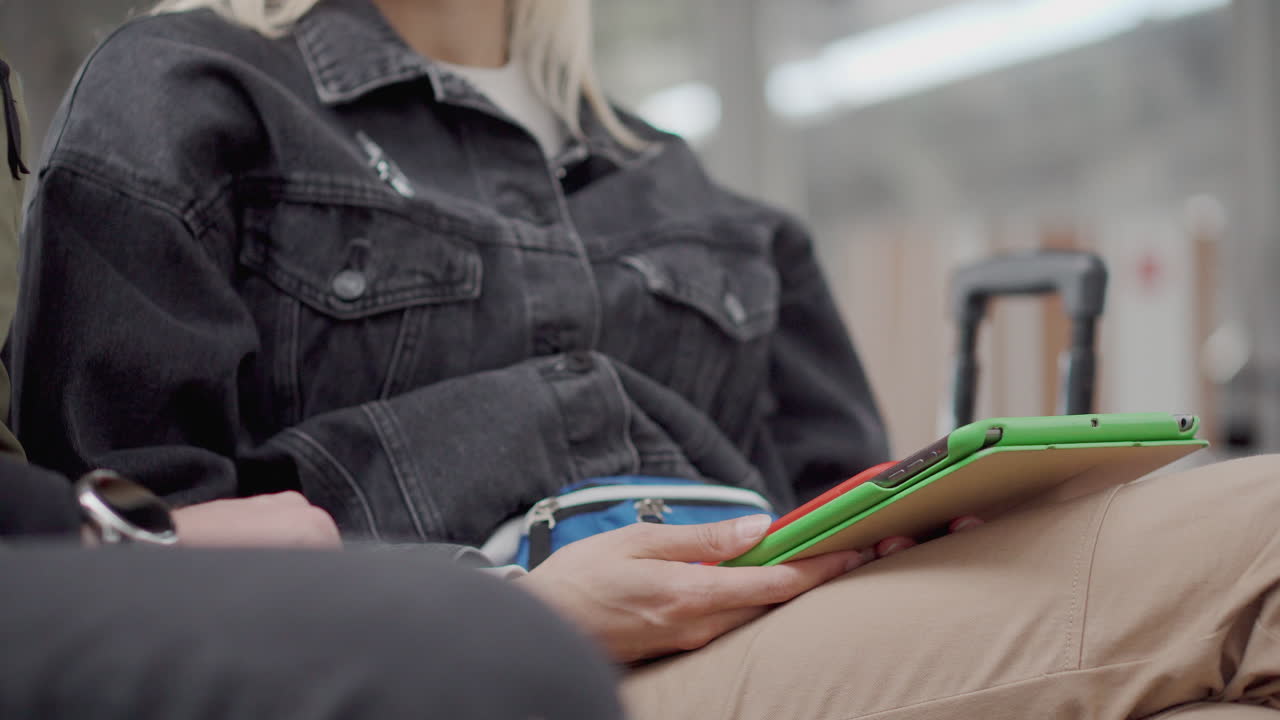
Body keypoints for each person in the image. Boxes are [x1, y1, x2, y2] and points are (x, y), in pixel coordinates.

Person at [12, 1, 1280, 718]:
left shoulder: (681, 183)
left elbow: (832, 483)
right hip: (494, 670)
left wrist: (910, 516)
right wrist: (502, 596)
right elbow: (132, 557)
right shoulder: (185, 91)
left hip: (781, 626)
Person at [0, 48, 623, 720]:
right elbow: (129, 469)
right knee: (518, 661)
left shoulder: (646, 157)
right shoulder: (178, 86)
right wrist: (505, 592)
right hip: (474, 605)